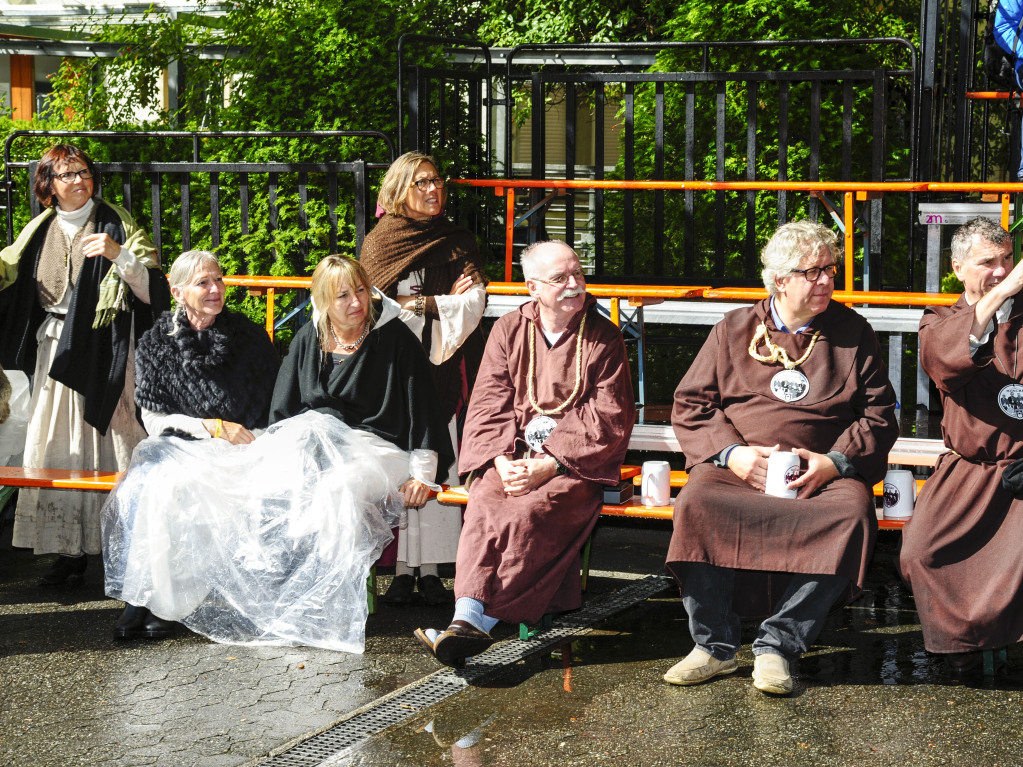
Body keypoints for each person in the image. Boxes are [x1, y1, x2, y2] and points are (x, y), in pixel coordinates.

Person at [104, 255, 453, 652]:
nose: (356, 302)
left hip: (374, 447)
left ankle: (321, 604)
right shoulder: (308, 337)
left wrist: (424, 471)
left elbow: (422, 406)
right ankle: (150, 598)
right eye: (342, 295)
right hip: (275, 444)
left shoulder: (390, 336)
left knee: (334, 488)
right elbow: (286, 414)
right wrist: (223, 434)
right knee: (151, 484)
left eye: (360, 290)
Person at [663, 220, 898, 695]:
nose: (827, 280)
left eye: (830, 269)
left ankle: (777, 647)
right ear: (779, 280)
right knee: (696, 503)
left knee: (850, 513)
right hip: (739, 470)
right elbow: (690, 403)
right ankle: (714, 647)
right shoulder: (733, 328)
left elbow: (879, 414)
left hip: (820, 473)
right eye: (813, 272)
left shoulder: (853, 331)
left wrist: (835, 461)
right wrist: (732, 455)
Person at [414, 240, 635, 669]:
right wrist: (500, 461)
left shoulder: (603, 336)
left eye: (578, 275)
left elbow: (607, 414)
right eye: (560, 279)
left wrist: (548, 464)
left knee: (528, 514)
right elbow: (488, 402)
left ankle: (478, 619)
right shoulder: (509, 329)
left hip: (573, 463)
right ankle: (468, 619)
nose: (574, 285)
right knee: (485, 503)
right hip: (511, 453)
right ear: (532, 287)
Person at [0, 144, 170, 586]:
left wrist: (119, 254)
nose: (79, 181)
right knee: (60, 449)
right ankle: (67, 550)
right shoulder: (37, 230)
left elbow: (154, 290)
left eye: (84, 172)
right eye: (67, 174)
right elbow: (10, 272)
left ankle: (127, 543)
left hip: (106, 349)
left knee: (113, 445)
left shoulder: (117, 223)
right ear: (47, 188)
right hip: (54, 348)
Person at [103, 250, 280, 640]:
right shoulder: (156, 342)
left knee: (172, 487)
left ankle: (161, 603)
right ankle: (150, 598)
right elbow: (153, 419)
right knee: (152, 485)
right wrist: (211, 427)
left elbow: (272, 406)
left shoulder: (248, 336)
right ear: (178, 291)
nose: (215, 289)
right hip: (186, 443)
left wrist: (234, 436)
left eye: (218, 280)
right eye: (203, 282)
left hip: (243, 448)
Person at [360, 151, 487, 607]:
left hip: (444, 363)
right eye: (422, 183)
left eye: (437, 182)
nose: (434, 190)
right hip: (394, 368)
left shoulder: (456, 239)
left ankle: (431, 570)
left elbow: (473, 301)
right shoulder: (380, 244)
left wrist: (420, 304)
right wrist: (434, 302)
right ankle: (399, 568)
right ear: (399, 190)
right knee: (401, 461)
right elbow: (372, 309)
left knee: (436, 458)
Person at [899, 217, 1023, 673]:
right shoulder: (940, 321)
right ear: (957, 268)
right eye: (987, 262)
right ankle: (966, 645)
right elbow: (945, 362)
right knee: (920, 552)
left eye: (1007, 260)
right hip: (970, 470)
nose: (1001, 270)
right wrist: (1001, 294)